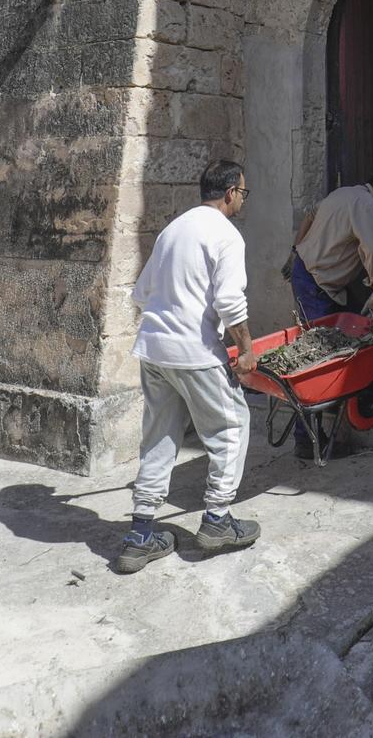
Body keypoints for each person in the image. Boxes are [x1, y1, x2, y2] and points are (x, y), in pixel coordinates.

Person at [116, 159, 263, 574]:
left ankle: (141, 534)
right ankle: (217, 520)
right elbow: (230, 303)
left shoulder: (172, 230)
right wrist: (246, 350)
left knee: (159, 437)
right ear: (231, 192)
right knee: (231, 426)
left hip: (154, 349)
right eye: (243, 193)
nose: (241, 201)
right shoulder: (226, 235)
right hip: (193, 352)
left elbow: (141, 293)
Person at [284, 172, 373, 457]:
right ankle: (307, 440)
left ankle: (352, 391)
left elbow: (310, 214)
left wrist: (295, 250)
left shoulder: (343, 193)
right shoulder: (368, 205)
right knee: (317, 362)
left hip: (313, 277)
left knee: (350, 337)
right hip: (317, 284)